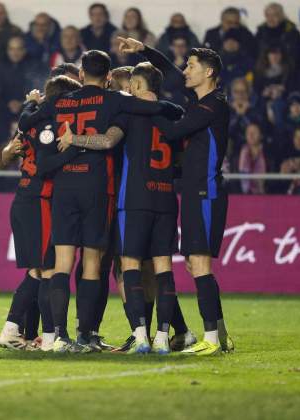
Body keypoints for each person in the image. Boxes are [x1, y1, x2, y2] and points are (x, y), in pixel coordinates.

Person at [18, 49, 182, 353]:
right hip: (97, 187)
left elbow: (26, 121)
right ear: (108, 77)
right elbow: (163, 109)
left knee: (62, 264)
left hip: (64, 187)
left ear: (81, 74)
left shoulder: (60, 101)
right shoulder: (114, 99)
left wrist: (31, 104)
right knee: (93, 264)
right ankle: (86, 335)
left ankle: (57, 337)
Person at [57, 61, 191, 354]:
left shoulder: (129, 114)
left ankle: (140, 335)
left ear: (139, 86)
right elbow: (183, 159)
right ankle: (164, 337)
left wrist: (73, 139)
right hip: (167, 199)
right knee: (162, 270)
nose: (126, 88)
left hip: (132, 201)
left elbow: (106, 141)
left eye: (130, 83)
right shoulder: (175, 113)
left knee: (127, 267)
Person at [118, 36, 235, 355]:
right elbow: (170, 72)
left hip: (205, 191)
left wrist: (143, 105)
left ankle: (210, 338)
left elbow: (171, 133)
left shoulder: (212, 105)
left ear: (208, 72)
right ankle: (220, 335)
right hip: (195, 192)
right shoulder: (202, 102)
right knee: (194, 265)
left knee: (199, 264)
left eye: (192, 66)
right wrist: (144, 49)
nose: (185, 70)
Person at [0, 74, 82, 351]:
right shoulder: (49, 125)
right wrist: (74, 149)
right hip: (39, 200)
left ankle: (11, 330)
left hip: (25, 198)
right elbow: (44, 164)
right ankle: (49, 339)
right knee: (48, 270)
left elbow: (12, 148)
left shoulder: (30, 122)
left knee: (36, 271)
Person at [0, 35, 48, 116]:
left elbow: (40, 91)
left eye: (19, 49)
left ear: (24, 50)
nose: (15, 53)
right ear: (7, 51)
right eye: (11, 49)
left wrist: (22, 103)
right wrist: (8, 103)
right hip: (4, 109)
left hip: (29, 109)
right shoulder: (0, 67)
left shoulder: (35, 67)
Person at [255, 3, 300, 69]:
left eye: (274, 15)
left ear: (281, 15)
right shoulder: (260, 33)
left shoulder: (292, 33)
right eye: (268, 15)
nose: (270, 18)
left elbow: (297, 55)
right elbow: (256, 54)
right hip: (265, 71)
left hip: (288, 71)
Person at [238, 122, 267, 194]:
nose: (251, 135)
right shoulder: (238, 154)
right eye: (248, 132)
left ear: (260, 135)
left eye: (254, 132)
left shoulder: (268, 153)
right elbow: (234, 179)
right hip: (241, 197)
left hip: (265, 195)